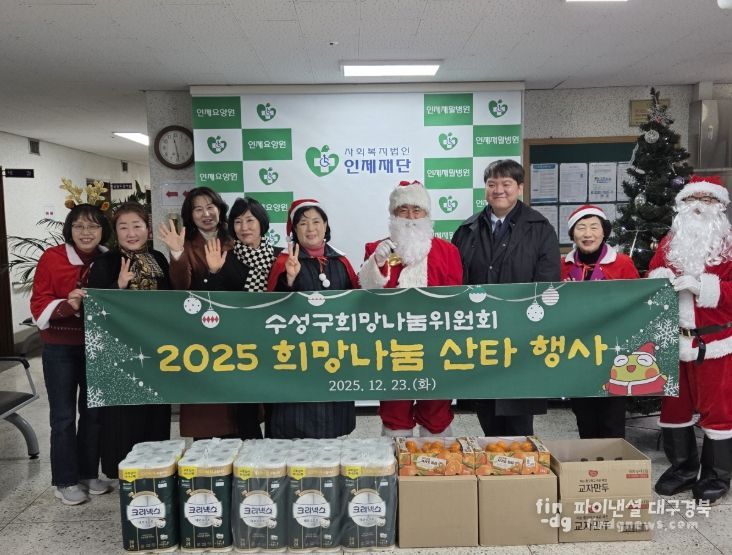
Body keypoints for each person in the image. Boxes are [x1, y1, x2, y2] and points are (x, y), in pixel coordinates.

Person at [452, 159, 560, 435]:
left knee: (519, 424)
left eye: (506, 183)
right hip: (481, 338)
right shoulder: (467, 230)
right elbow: (456, 284)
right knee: (487, 417)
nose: (498, 190)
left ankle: (522, 464)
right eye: (492, 184)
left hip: (522, 338)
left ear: (520, 187)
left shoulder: (540, 228)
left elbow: (547, 283)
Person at [648, 175, 732, 504]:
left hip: (716, 343)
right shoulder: (669, 244)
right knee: (674, 408)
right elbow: (653, 273)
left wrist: (703, 287)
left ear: (720, 205)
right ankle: (682, 468)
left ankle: (716, 475)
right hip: (675, 341)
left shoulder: (729, 245)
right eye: (692, 199)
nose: (699, 205)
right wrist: (661, 278)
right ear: (682, 204)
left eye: (707, 199)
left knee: (718, 411)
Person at [358, 180, 463, 437]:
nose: (410, 216)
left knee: (436, 412)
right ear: (393, 214)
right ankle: (395, 457)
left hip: (437, 347)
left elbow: (456, 301)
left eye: (417, 210)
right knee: (395, 413)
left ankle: (435, 458)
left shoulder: (448, 252)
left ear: (426, 214)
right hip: (392, 348)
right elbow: (364, 296)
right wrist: (376, 264)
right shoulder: (376, 249)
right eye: (402, 210)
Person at [30, 204, 114, 505]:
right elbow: (39, 303)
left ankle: (89, 473)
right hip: (60, 348)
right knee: (63, 416)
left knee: (93, 413)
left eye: (93, 226)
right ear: (69, 229)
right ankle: (65, 480)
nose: (86, 232)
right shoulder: (52, 258)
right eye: (79, 226)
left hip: (96, 346)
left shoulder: (109, 258)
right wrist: (69, 304)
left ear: (103, 230)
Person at [88, 202, 171, 479]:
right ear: (116, 232)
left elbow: (172, 298)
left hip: (156, 348)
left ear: (148, 229)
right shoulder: (106, 263)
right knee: (123, 414)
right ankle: (123, 469)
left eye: (137, 226)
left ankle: (157, 468)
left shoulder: (158, 259)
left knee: (155, 409)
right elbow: (93, 309)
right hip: (120, 352)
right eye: (123, 227)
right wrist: (118, 286)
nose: (131, 233)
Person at [266, 199, 359, 439]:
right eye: (303, 223)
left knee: (335, 428)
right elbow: (272, 309)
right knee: (295, 426)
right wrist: (289, 279)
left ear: (326, 226)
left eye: (316, 222)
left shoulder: (341, 261)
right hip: (297, 356)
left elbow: (357, 302)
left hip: (335, 354)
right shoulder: (284, 262)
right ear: (294, 230)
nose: (311, 229)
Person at [157, 186, 238, 439]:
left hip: (236, 332)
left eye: (210, 207)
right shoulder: (185, 244)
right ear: (190, 215)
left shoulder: (235, 238)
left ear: (220, 209)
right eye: (198, 209)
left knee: (239, 409)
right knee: (207, 410)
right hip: (200, 333)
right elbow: (181, 286)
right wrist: (177, 253)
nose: (206, 214)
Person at [204, 196, 282, 439]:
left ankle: (276, 451)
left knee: (277, 403)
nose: (244, 227)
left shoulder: (281, 256)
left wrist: (290, 279)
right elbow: (213, 302)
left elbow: (290, 296)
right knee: (245, 406)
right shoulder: (226, 258)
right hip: (240, 344)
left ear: (261, 223)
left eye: (250, 220)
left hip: (276, 342)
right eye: (238, 222)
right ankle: (250, 451)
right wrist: (213, 272)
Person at [561, 204, 640, 439]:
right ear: (572, 234)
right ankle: (588, 460)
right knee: (584, 417)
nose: (588, 234)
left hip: (613, 354)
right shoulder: (562, 266)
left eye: (594, 227)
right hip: (577, 354)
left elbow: (638, 303)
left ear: (604, 231)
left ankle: (614, 461)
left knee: (612, 418)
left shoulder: (623, 264)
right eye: (581, 228)